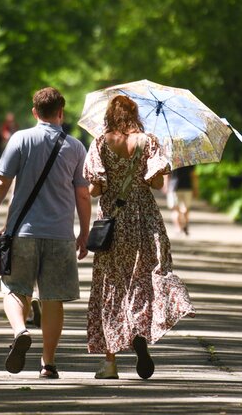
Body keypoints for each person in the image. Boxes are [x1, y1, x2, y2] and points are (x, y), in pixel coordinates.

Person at [0, 87, 90, 379]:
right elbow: (83, 195)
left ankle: (21, 330)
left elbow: (1, 182)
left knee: (14, 289)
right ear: (61, 112)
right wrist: (84, 232)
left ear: (34, 112)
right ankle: (48, 364)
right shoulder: (76, 147)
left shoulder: (21, 139)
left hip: (23, 232)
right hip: (60, 234)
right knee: (53, 299)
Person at [83, 95, 195, 380]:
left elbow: (95, 188)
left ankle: (109, 363)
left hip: (113, 224)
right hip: (144, 221)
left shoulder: (100, 143)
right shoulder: (149, 142)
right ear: (135, 115)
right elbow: (157, 183)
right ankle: (138, 334)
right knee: (144, 279)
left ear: (110, 115)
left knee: (111, 286)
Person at [166, 165, 199, 236]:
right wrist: (196, 188)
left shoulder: (171, 161)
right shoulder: (189, 162)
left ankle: (178, 228)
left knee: (175, 210)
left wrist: (166, 186)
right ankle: (185, 224)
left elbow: (167, 175)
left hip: (174, 187)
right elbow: (193, 175)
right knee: (186, 208)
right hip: (187, 187)